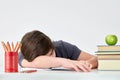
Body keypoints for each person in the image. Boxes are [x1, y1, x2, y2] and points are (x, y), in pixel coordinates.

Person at [19, 30, 98, 72]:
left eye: (51, 53)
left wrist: (86, 64)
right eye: (46, 58)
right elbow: (36, 62)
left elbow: (97, 59)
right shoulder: (23, 54)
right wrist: (64, 62)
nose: (51, 58)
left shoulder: (62, 47)